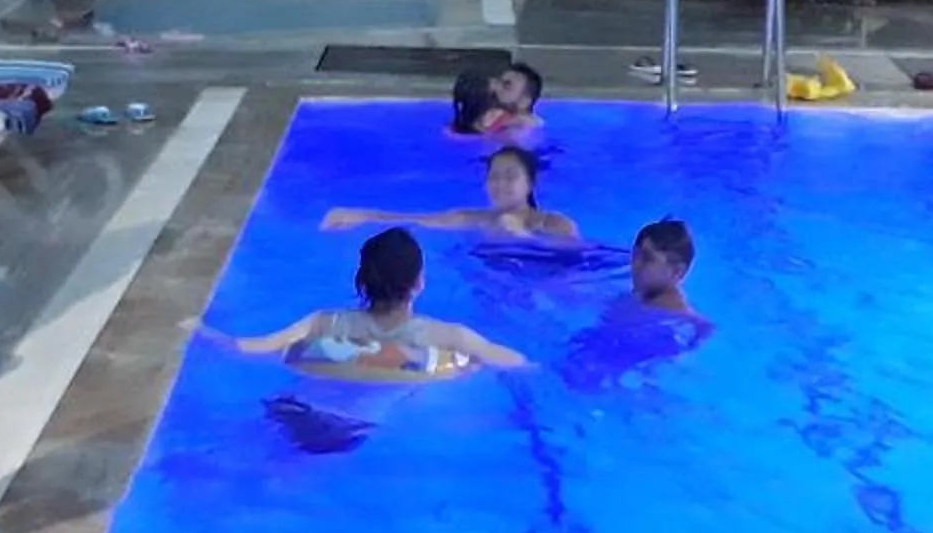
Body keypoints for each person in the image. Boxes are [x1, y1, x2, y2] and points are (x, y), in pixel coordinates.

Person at [190, 228, 527, 379]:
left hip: (292, 408)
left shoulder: (323, 323)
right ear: (419, 283)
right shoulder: (447, 338)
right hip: (351, 431)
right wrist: (466, 368)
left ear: (361, 281)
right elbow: (514, 363)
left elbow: (248, 348)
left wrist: (198, 330)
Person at [321, 146, 580, 244]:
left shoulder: (554, 223)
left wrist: (524, 236)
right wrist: (363, 215)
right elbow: (419, 221)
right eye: (494, 176)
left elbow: (573, 263)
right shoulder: (474, 219)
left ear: (531, 183)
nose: (500, 184)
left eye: (510, 176)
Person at [627, 218, 699, 315]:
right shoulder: (643, 296)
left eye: (647, 258)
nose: (636, 264)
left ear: (677, 271)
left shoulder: (680, 324)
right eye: (635, 255)